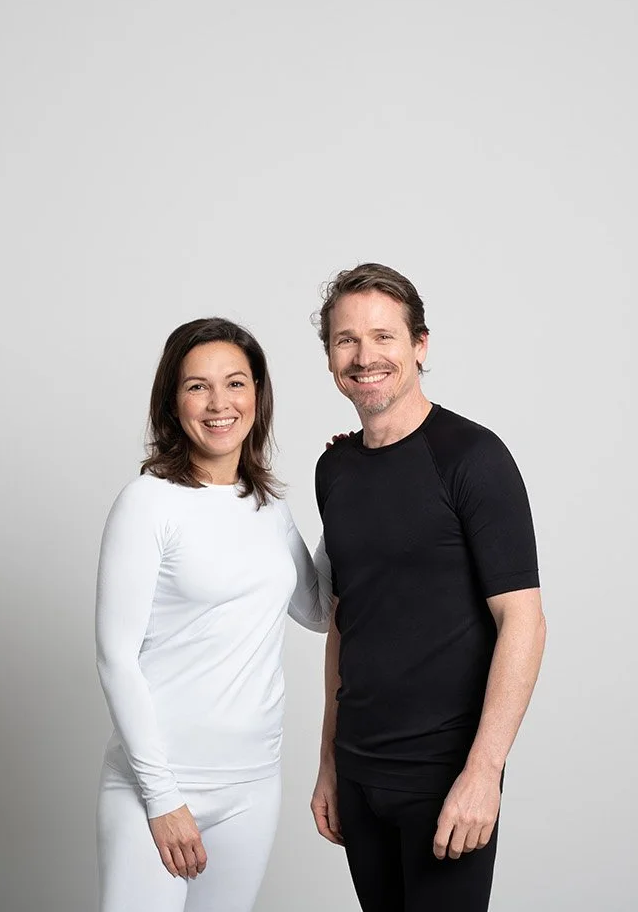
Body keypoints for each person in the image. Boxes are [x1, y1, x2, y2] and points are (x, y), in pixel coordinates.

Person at [308, 264, 547, 912]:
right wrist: (329, 760)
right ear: (329, 355)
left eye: (383, 336)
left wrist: (484, 772)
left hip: (445, 777)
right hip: (358, 775)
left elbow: (523, 621)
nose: (364, 357)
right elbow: (343, 618)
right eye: (346, 340)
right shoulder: (334, 467)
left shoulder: (473, 457)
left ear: (420, 344)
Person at [96, 317, 332, 912]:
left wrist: (342, 497)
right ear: (173, 403)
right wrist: (162, 797)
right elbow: (115, 659)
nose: (219, 403)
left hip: (253, 784)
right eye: (197, 386)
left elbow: (318, 609)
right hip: (162, 784)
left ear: (258, 395)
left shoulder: (267, 505)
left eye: (235, 383)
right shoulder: (148, 502)